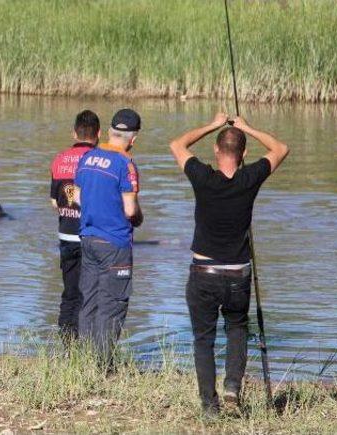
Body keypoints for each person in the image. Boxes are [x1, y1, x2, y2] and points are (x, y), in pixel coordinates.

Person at [169, 113, 289, 415]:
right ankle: (232, 387)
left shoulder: (203, 177)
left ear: (215, 151)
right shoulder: (250, 178)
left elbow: (177, 144)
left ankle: (210, 406)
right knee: (237, 329)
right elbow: (280, 149)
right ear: (244, 154)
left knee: (203, 339)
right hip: (238, 274)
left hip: (203, 271)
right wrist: (246, 126)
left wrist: (213, 124)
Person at [74, 108, 144, 366]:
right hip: (115, 244)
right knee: (112, 305)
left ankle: (83, 361)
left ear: (111, 132)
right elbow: (130, 210)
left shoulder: (89, 156)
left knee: (89, 301)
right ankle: (102, 365)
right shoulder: (126, 164)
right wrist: (139, 218)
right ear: (133, 139)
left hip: (88, 239)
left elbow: (79, 198)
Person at [49, 110, 99, 344]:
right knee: (89, 294)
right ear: (98, 134)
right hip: (91, 236)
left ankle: (66, 343)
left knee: (69, 292)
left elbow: (53, 202)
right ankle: (85, 342)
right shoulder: (99, 160)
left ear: (74, 132)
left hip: (66, 235)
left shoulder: (59, 159)